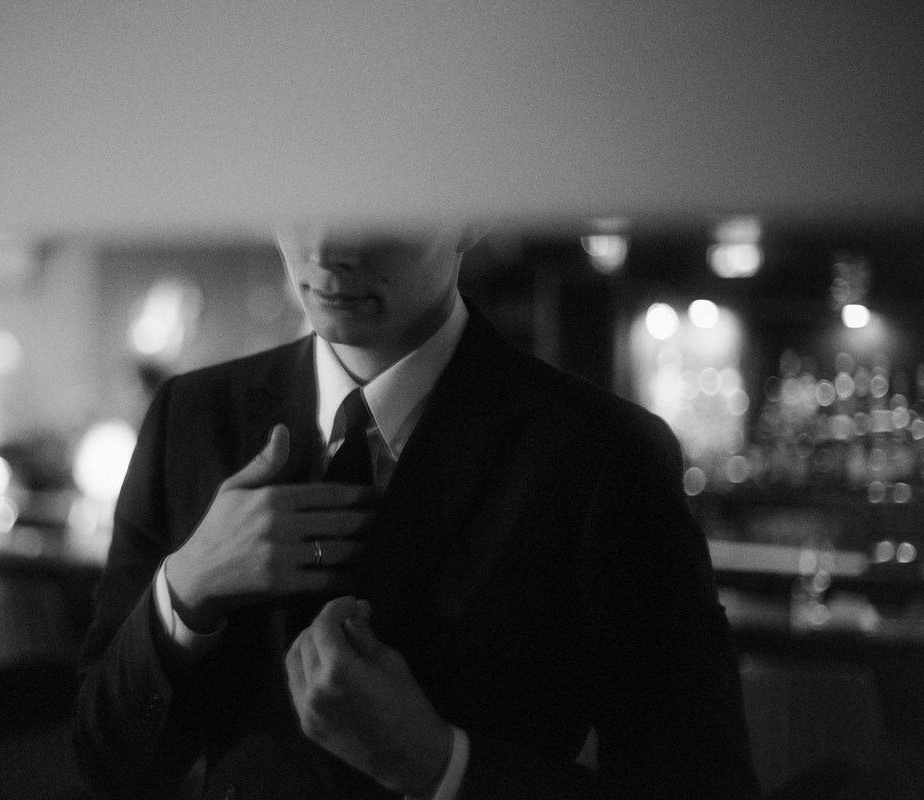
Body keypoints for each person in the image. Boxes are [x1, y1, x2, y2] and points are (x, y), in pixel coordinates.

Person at [74, 221, 760, 799]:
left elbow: (703, 785)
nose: (328, 248)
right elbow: (101, 760)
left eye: (382, 207)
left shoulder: (603, 455)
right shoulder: (190, 417)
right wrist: (185, 587)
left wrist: (441, 765)